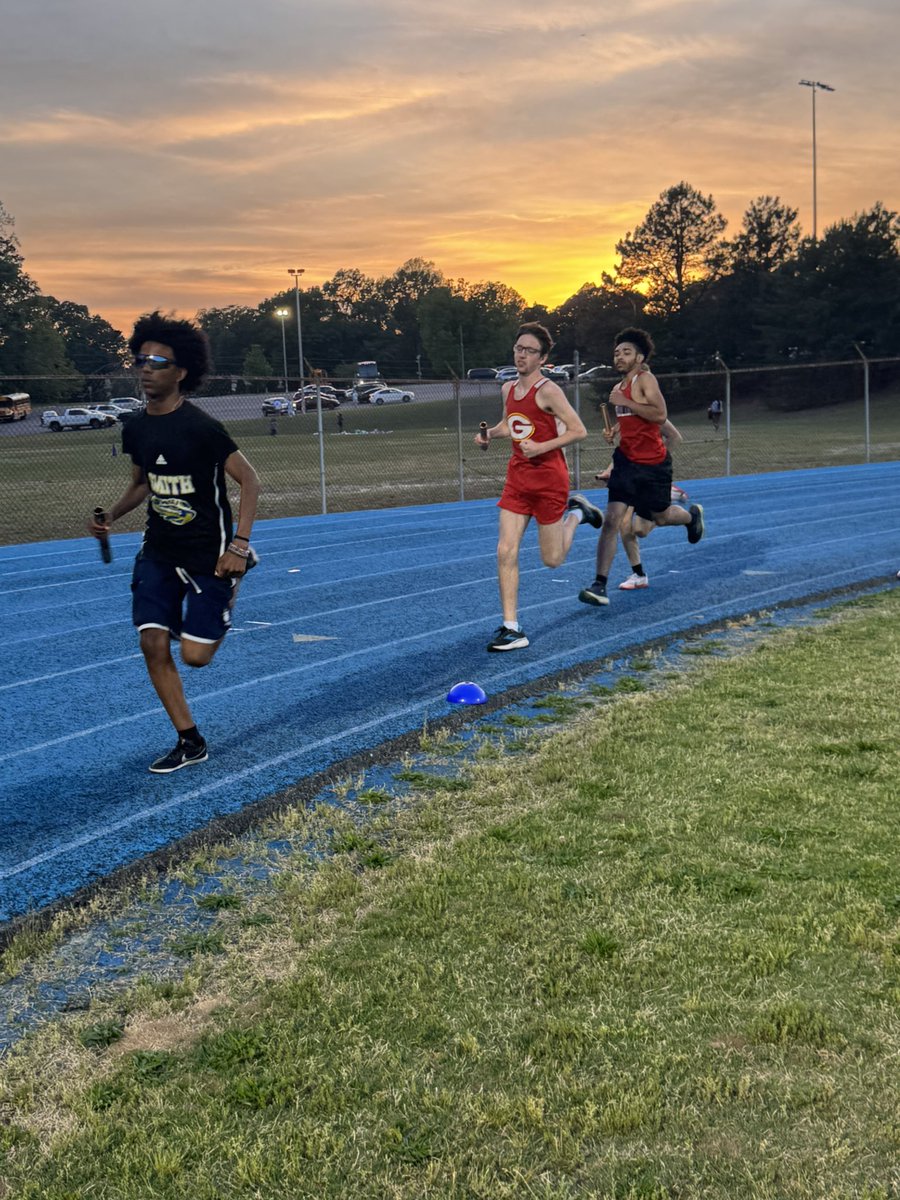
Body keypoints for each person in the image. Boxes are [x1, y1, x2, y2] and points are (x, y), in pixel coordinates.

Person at [89, 312, 260, 773]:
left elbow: (250, 481)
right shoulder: (135, 427)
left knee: (196, 657)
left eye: (158, 363)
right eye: (141, 360)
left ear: (181, 371)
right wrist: (111, 516)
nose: (146, 369)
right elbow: (142, 483)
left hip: (209, 553)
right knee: (152, 643)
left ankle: (237, 576)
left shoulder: (201, 427)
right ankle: (190, 740)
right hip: (159, 551)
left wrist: (238, 545)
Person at [475, 322, 602, 651]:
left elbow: (578, 430)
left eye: (530, 351)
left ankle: (577, 514)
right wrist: (490, 435)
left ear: (542, 358)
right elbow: (511, 425)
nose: (522, 355)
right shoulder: (508, 389)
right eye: (519, 348)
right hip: (518, 479)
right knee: (505, 550)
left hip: (548, 481)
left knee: (552, 560)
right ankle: (511, 627)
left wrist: (542, 447)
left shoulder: (549, 391)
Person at [579, 327, 704, 607]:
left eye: (626, 352)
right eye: (616, 353)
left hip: (654, 466)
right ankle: (599, 584)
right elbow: (630, 422)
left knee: (661, 517)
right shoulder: (617, 389)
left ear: (639, 357)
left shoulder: (645, 380)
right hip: (626, 462)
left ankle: (691, 517)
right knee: (612, 520)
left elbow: (659, 414)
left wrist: (626, 402)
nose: (619, 357)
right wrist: (614, 432)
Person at [594, 419, 687, 590]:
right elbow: (628, 449)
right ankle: (639, 574)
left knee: (641, 529)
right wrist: (609, 467)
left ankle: (690, 516)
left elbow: (675, 437)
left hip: (650, 477)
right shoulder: (625, 415)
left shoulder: (651, 413)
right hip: (630, 476)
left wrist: (655, 465)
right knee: (624, 524)